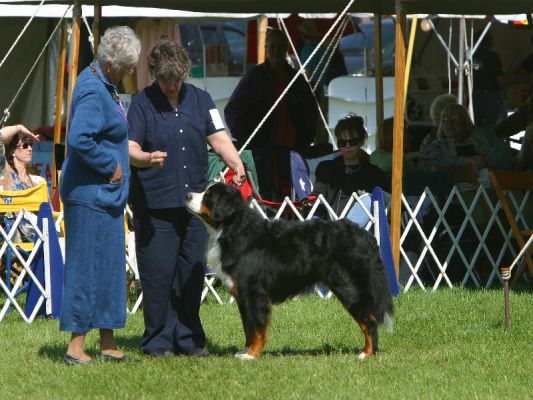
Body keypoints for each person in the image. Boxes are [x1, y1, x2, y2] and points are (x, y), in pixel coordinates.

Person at [127, 40, 245, 357]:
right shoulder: (141, 103)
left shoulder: (201, 99)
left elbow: (219, 137)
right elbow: (130, 148)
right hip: (155, 205)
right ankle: (158, 341)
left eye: (177, 79)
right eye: (166, 80)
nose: (172, 85)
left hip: (196, 207)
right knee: (158, 275)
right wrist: (147, 158)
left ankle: (189, 338)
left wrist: (235, 160)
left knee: (192, 273)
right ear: (155, 75)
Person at [59, 26, 141, 365]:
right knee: (86, 269)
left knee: (108, 267)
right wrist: (111, 166)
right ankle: (75, 347)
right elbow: (80, 139)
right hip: (89, 195)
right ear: (110, 64)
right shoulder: (94, 89)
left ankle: (107, 342)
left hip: (104, 197)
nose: (130, 73)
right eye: (127, 67)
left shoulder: (104, 83)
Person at [224, 28, 319, 200]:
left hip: (293, 151)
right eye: (272, 47)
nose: (276, 51)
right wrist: (248, 140)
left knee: (294, 195)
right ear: (266, 48)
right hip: (263, 151)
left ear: (287, 49)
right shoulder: (254, 77)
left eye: (280, 47)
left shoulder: (296, 79)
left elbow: (312, 112)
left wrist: (306, 139)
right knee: (265, 197)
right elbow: (232, 111)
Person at [312, 114, 388, 217]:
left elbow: (385, 205)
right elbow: (316, 198)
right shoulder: (326, 169)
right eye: (342, 143)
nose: (347, 146)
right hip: (333, 227)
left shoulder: (375, 174)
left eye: (352, 142)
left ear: (361, 141)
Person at [419, 103, 513, 173]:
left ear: (464, 122)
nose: (449, 124)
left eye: (454, 119)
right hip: (456, 194)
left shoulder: (484, 136)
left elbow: (506, 154)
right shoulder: (437, 146)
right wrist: (464, 161)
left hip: (492, 188)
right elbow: (426, 166)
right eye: (445, 120)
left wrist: (485, 161)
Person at [0, 124, 42, 242]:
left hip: (38, 239)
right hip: (11, 241)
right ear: (12, 151)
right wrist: (18, 128)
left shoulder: (37, 181)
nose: (30, 149)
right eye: (25, 145)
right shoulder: (5, 172)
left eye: (31, 145)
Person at [472, 31, 506, 129]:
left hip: (474, 95)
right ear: (489, 42)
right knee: (492, 127)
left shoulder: (471, 56)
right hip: (491, 96)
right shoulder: (493, 57)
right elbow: (500, 79)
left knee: (476, 126)